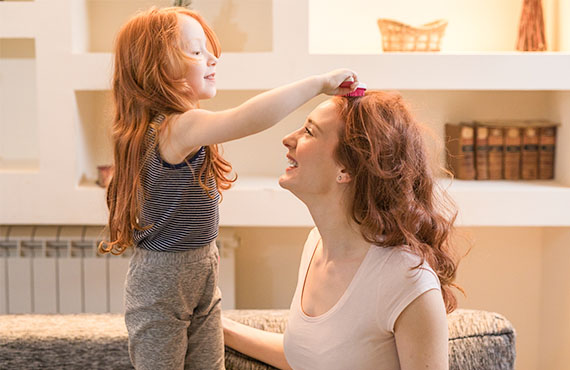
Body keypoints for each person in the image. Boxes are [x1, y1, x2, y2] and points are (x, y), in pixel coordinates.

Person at [97, 6, 358, 370]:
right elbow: (248, 118)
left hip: (202, 270)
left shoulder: (174, 129)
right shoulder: (175, 128)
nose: (213, 57)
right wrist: (319, 84)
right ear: (155, 68)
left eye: (209, 49)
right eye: (196, 51)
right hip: (161, 285)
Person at [223, 91, 461, 370]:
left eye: (309, 132)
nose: (288, 138)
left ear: (345, 169)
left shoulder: (408, 281)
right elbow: (310, 359)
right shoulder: (316, 245)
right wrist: (220, 327)